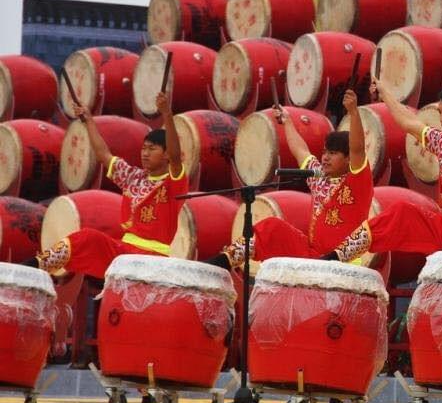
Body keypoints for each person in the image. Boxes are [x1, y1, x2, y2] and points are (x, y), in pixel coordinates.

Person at [327, 56, 442, 262]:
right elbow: (409, 122)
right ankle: (338, 255)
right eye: (440, 112)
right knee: (402, 213)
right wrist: (384, 92)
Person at [204, 89, 372, 271]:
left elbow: (358, 149)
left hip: (344, 264)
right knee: (272, 227)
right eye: (324, 152)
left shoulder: (357, 181)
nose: (325, 158)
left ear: (348, 159)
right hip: (314, 257)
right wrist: (287, 122)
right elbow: (301, 151)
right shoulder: (319, 178)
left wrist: (353, 112)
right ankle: (225, 261)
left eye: (332, 153)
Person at [22, 93, 186, 277]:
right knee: (86, 237)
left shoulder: (173, 182)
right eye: (144, 148)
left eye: (152, 149)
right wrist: (89, 122)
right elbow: (103, 154)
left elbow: (176, 155)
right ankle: (36, 267)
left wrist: (167, 114)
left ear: (165, 155)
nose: (145, 153)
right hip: (124, 251)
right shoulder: (133, 177)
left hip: (154, 258)